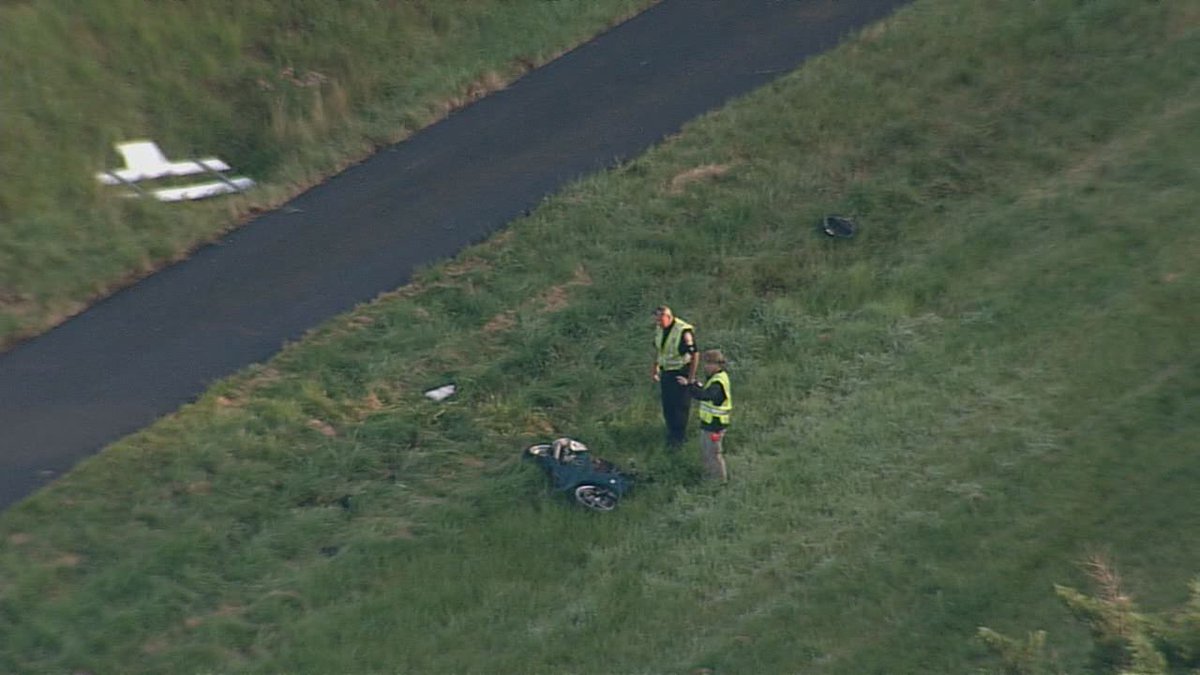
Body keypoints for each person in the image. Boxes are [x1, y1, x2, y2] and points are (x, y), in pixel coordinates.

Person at [677, 349, 732, 482]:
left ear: (717, 365)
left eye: (709, 363)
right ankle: (709, 478)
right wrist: (695, 384)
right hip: (709, 424)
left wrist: (689, 386)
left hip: (715, 425)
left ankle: (720, 482)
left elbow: (705, 395)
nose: (705, 366)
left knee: (714, 454)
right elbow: (705, 390)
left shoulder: (718, 381)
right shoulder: (715, 378)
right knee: (707, 453)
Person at [651, 305, 698, 447]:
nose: (658, 324)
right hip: (666, 372)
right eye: (656, 321)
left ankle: (679, 440)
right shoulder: (660, 329)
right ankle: (670, 435)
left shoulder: (684, 331)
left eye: (661, 320)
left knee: (680, 408)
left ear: (669, 316)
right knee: (668, 406)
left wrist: (690, 379)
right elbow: (659, 350)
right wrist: (655, 368)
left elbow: (695, 354)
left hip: (680, 372)